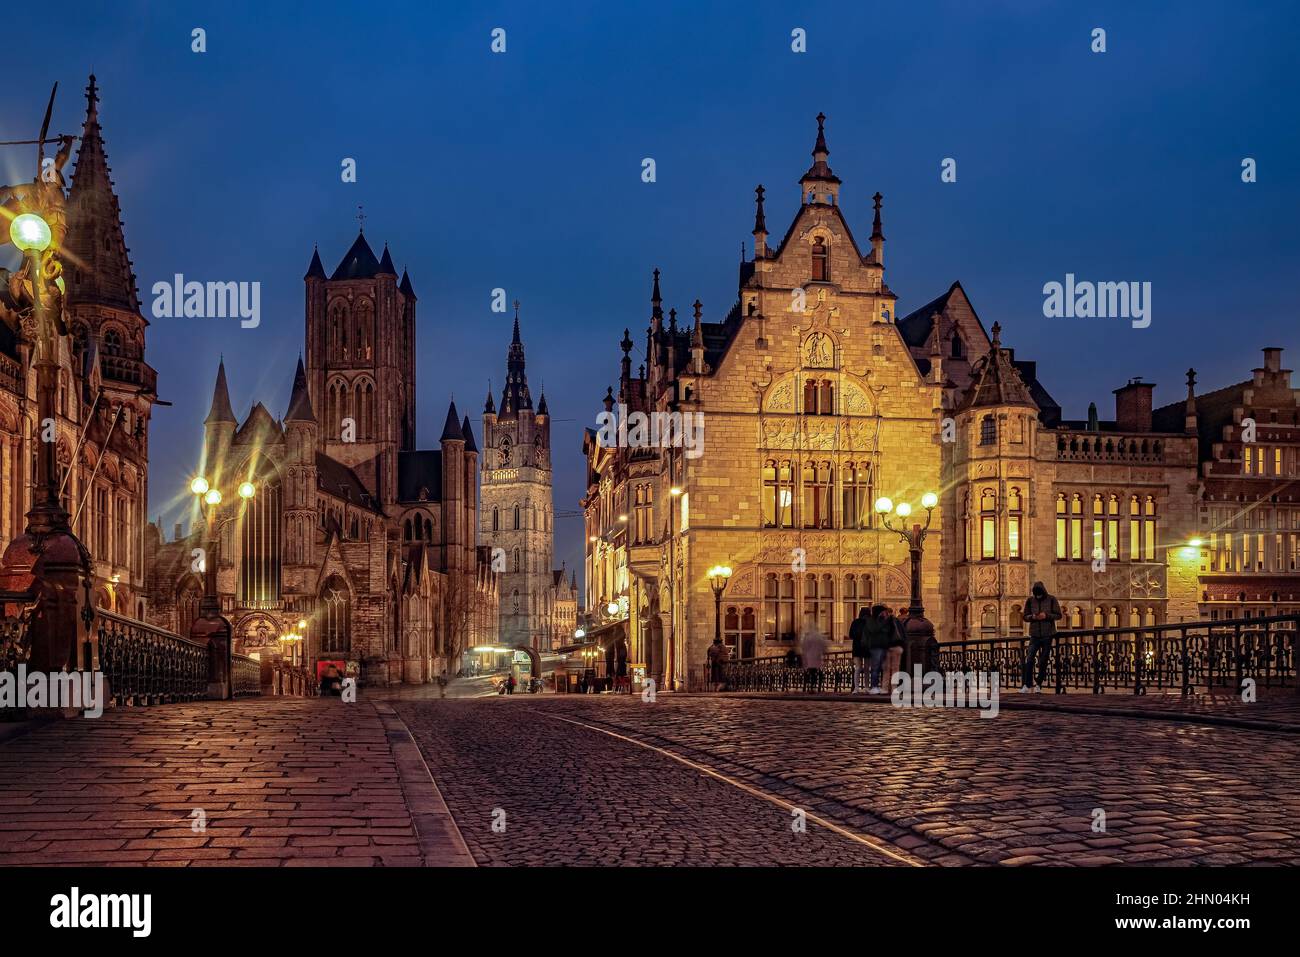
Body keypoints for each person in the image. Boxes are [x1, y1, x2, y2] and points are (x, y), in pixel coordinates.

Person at [1021, 580, 1062, 692]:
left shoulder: (1051, 599)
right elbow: (1025, 616)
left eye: (1040, 594)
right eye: (1036, 594)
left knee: (1043, 660)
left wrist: (1046, 616)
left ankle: (1038, 684)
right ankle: (1027, 685)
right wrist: (1032, 617)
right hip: (1034, 635)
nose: (1038, 596)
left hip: (1047, 634)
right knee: (1029, 659)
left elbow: (1059, 615)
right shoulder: (1030, 600)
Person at [866, 605, 891, 694]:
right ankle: (874, 686)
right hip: (876, 647)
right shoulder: (871, 620)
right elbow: (874, 630)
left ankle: (881, 686)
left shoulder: (884, 621)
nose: (885, 613)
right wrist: (883, 623)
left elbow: (888, 631)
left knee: (883, 667)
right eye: (883, 611)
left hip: (884, 646)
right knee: (875, 667)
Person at [799, 616, 828, 693]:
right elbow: (824, 646)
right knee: (817, 672)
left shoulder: (808, 636)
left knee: (811, 673)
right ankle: (818, 686)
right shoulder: (819, 636)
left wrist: (804, 656)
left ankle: (810, 687)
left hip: (809, 657)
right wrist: (824, 654)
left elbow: (804, 647)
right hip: (817, 657)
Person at [882, 606, 906, 690]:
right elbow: (903, 634)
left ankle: (884, 688)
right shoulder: (898, 621)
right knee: (895, 668)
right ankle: (894, 688)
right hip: (897, 647)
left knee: (886, 669)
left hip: (887, 648)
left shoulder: (884, 622)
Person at [849, 606, 871, 693]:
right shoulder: (870, 623)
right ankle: (866, 687)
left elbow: (850, 635)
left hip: (857, 648)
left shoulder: (855, 622)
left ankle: (856, 688)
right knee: (866, 669)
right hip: (867, 648)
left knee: (857, 668)